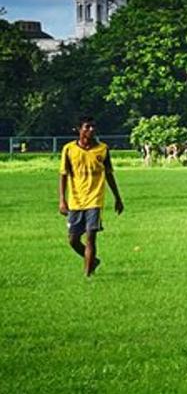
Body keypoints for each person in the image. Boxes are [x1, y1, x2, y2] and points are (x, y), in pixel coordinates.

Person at [58, 116, 124, 277]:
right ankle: (93, 261)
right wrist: (62, 200)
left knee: (91, 237)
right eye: (87, 127)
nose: (91, 130)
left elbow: (109, 174)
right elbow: (63, 175)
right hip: (76, 200)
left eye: (93, 127)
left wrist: (117, 197)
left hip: (95, 199)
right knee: (73, 240)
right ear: (79, 129)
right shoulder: (69, 149)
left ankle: (87, 274)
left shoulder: (103, 149)